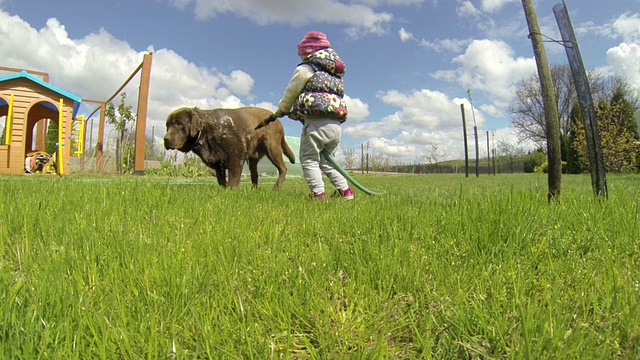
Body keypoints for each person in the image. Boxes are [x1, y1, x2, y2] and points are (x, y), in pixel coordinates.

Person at [274, 30, 354, 200]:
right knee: (328, 161)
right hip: (335, 125)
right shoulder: (334, 74)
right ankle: (345, 192)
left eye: (301, 54)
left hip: (316, 123)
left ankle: (318, 194)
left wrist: (282, 109)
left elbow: (292, 90)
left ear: (307, 51)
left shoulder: (307, 68)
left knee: (309, 159)